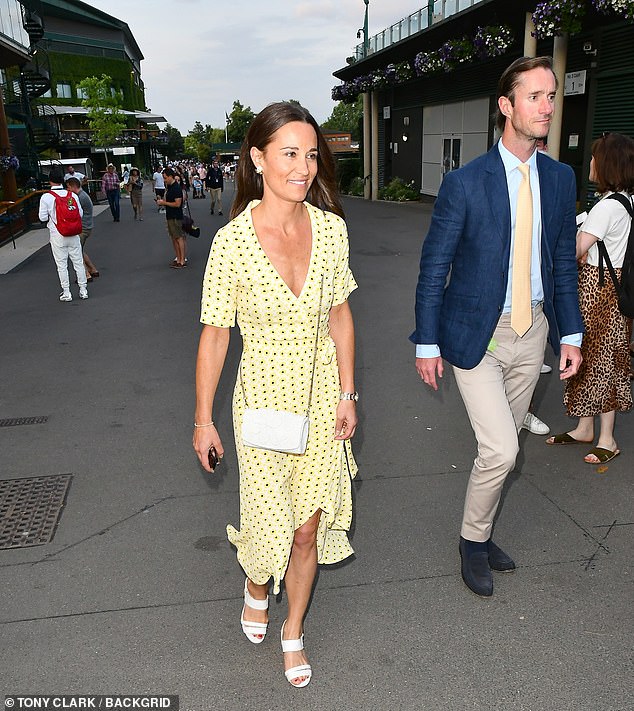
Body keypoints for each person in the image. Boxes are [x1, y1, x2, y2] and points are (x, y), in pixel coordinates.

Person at [192, 102, 358, 688]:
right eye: (290, 153)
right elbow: (215, 334)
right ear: (258, 158)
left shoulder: (332, 229)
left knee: (307, 529)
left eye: (311, 154)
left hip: (318, 401)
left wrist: (348, 391)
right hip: (260, 403)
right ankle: (256, 584)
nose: (304, 167)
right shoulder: (231, 243)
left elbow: (341, 317)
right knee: (266, 531)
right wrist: (202, 420)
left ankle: (294, 631)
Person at [411, 56, 583, 598]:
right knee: (504, 451)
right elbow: (434, 266)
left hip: (532, 334)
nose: (548, 107)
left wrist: (571, 333)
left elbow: (560, 260)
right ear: (506, 107)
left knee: (499, 451)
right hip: (476, 336)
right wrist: (427, 341)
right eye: (535, 96)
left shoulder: (559, 179)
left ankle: (476, 538)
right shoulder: (465, 183)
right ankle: (473, 541)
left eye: (551, 96)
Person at [546, 132, 634, 463]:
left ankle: (607, 439)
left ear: (608, 163)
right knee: (595, 355)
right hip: (618, 286)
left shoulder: (606, 207)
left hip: (598, 290)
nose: (592, 162)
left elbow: (573, 251)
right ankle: (585, 428)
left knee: (601, 361)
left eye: (596, 157)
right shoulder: (628, 200)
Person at [38, 167, 88, 301]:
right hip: (74, 233)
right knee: (78, 262)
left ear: (50, 181)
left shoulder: (46, 197)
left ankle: (67, 292)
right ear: (62, 180)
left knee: (62, 265)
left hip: (58, 235)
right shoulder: (72, 195)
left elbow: (42, 218)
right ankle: (83, 290)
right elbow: (80, 214)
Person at [66, 176, 99, 283]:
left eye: (68, 187)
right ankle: (92, 269)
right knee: (79, 250)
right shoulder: (83, 195)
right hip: (87, 227)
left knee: (76, 252)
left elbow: (74, 212)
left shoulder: (80, 197)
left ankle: (85, 274)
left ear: (72, 186)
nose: (68, 190)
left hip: (82, 228)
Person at [156, 167, 186, 268]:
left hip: (175, 216)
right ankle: (178, 258)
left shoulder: (176, 188)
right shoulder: (170, 187)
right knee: (174, 238)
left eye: (165, 178)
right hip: (170, 215)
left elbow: (178, 204)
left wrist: (163, 202)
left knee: (178, 237)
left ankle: (182, 260)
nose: (164, 180)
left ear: (170, 176)